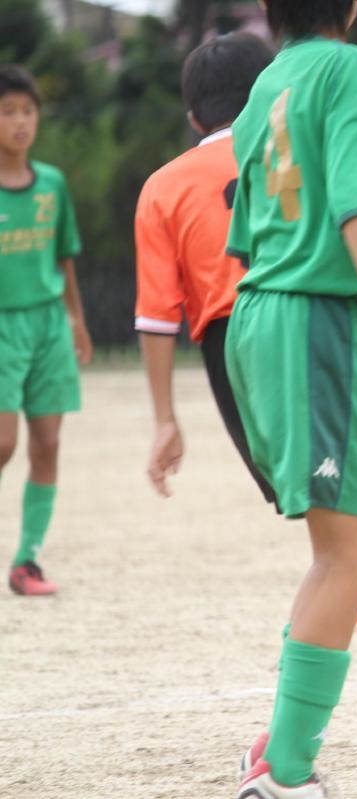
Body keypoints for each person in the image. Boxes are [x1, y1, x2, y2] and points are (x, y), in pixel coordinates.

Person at [132, 31, 357, 782]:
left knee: (340, 541)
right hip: (320, 326)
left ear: (194, 115)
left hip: (238, 352)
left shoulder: (163, 186)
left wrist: (165, 418)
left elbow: (156, 316)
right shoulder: (302, 130)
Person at [216, 2, 357, 795]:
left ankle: (276, 744)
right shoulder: (347, 67)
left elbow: (246, 229)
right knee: (348, 552)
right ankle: (284, 771)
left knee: (342, 546)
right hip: (316, 319)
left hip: (260, 314)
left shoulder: (266, 84)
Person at [0, 64, 93, 596]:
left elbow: (65, 256)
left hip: (49, 324)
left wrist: (76, 319)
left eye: (27, 111)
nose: (20, 122)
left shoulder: (52, 184)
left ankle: (26, 561)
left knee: (49, 441)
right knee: (3, 443)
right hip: (3, 327)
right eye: (8, 111)